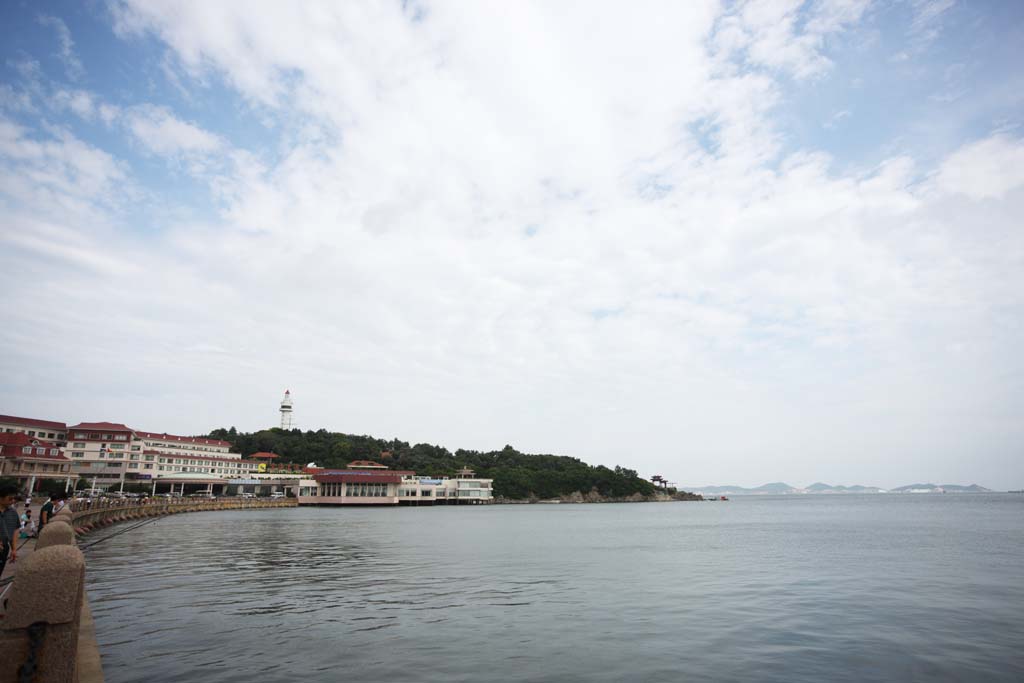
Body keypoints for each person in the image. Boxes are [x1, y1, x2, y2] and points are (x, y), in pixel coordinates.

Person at [0, 485, 20, 576]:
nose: (13, 501)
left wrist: (14, 549)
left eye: (14, 499)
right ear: (1, 497)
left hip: (3, 548)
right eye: (10, 498)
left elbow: (15, 530)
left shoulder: (13, 512)